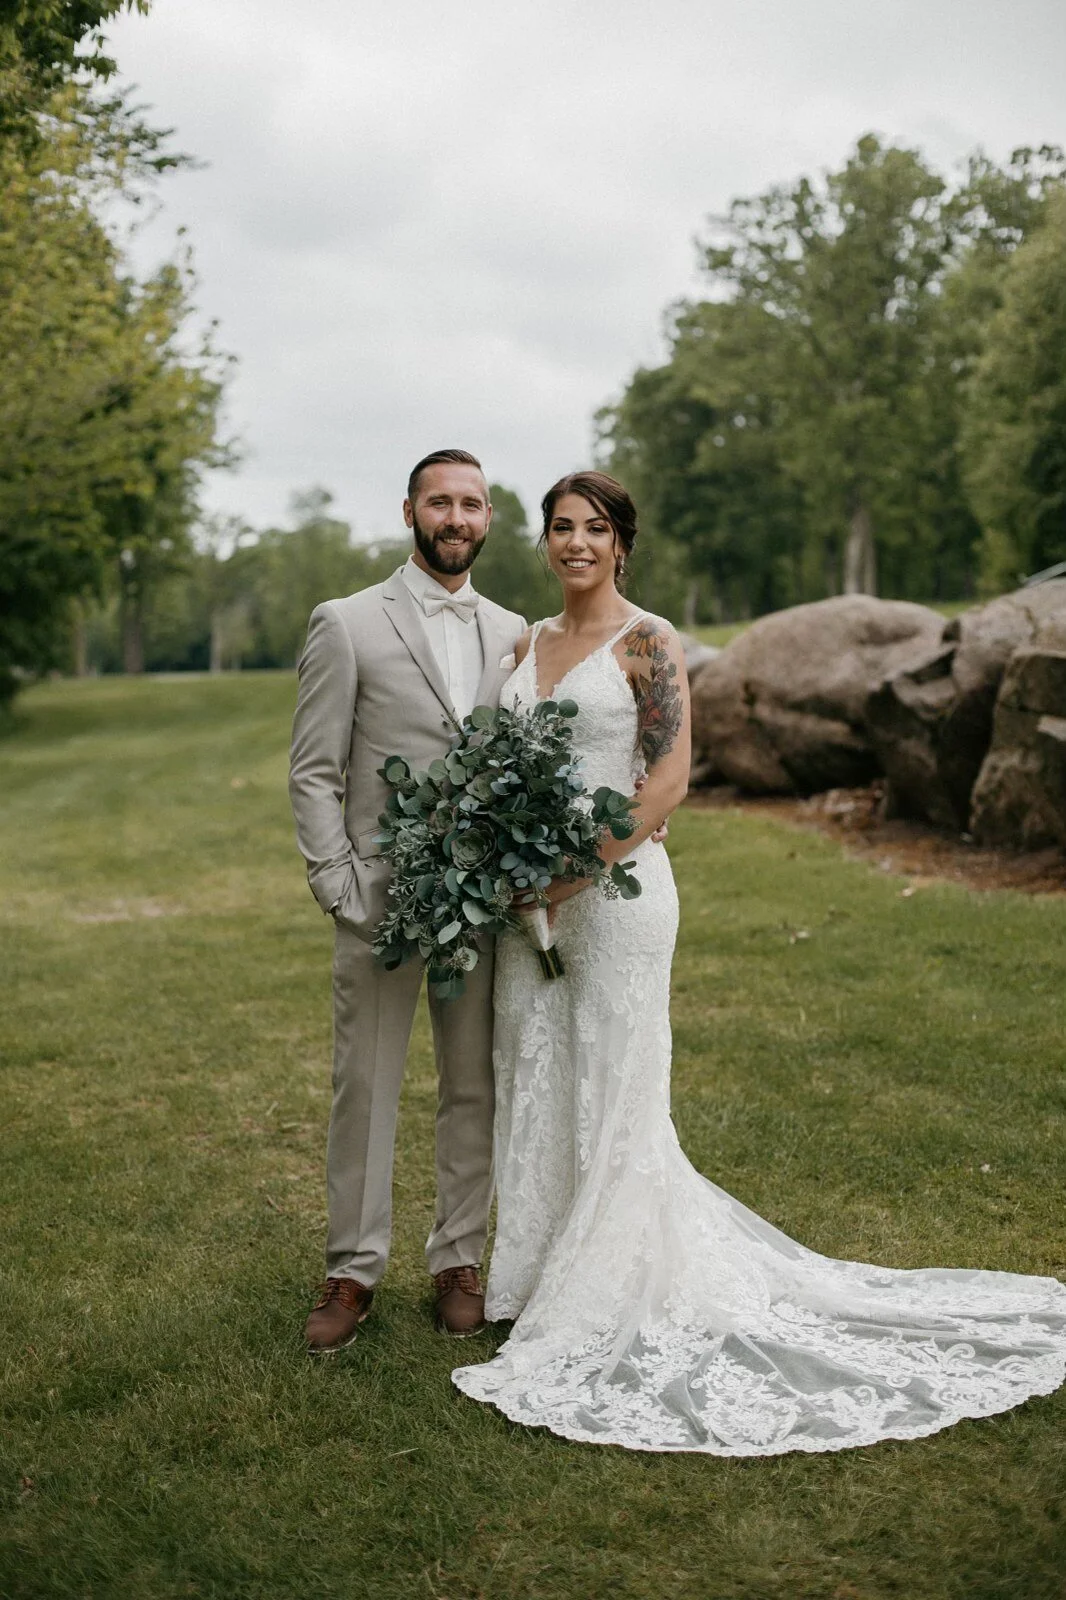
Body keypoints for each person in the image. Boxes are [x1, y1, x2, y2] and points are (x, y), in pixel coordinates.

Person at [452, 469, 1066, 1454]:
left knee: (614, 1081)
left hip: (614, 899)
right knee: (536, 1070)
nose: (575, 543)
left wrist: (568, 877)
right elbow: (501, 772)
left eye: (594, 528)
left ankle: (606, 1285)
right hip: (524, 906)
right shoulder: (526, 646)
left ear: (622, 544)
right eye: (561, 527)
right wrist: (507, 866)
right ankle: (528, 1278)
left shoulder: (646, 642)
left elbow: (665, 782)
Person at [289, 449, 525, 1353]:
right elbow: (313, 769)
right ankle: (351, 1270)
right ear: (410, 511)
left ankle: (458, 1257)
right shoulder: (346, 623)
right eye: (439, 503)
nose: (454, 518)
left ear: (488, 517)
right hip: (378, 903)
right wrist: (338, 884)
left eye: (470, 504)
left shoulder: (515, 631)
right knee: (367, 1085)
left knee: (472, 1085)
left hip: (481, 910)